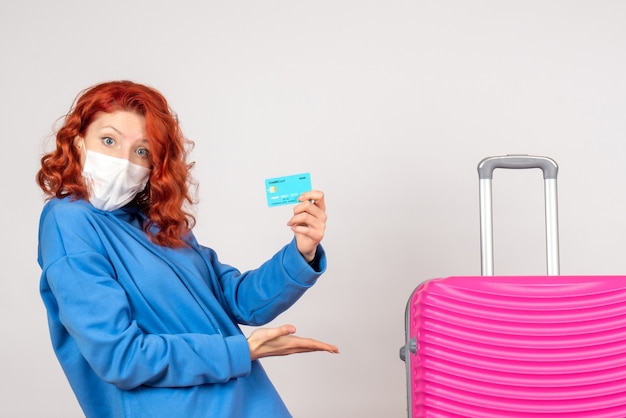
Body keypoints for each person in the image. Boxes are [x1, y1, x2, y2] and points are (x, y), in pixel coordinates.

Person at [36, 80, 338, 418]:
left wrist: (303, 250)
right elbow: (121, 357)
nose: (124, 161)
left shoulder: (154, 223)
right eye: (109, 141)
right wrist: (241, 351)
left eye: (142, 151)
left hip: (246, 403)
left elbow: (238, 300)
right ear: (78, 143)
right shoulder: (69, 221)